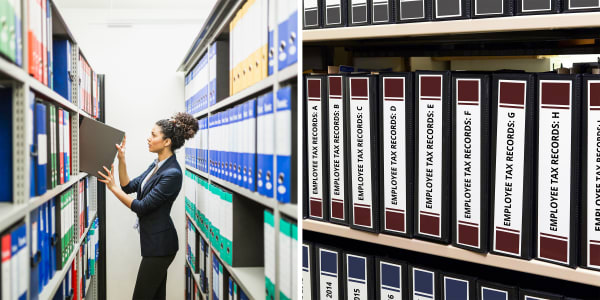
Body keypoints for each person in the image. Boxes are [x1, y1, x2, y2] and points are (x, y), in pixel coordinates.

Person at [97, 112, 198, 300]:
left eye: (153, 134)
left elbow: (141, 207)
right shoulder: (157, 165)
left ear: (166, 141)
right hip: (154, 245)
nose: (148, 138)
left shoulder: (172, 173)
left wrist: (112, 188)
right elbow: (128, 187)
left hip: (161, 247)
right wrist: (122, 159)